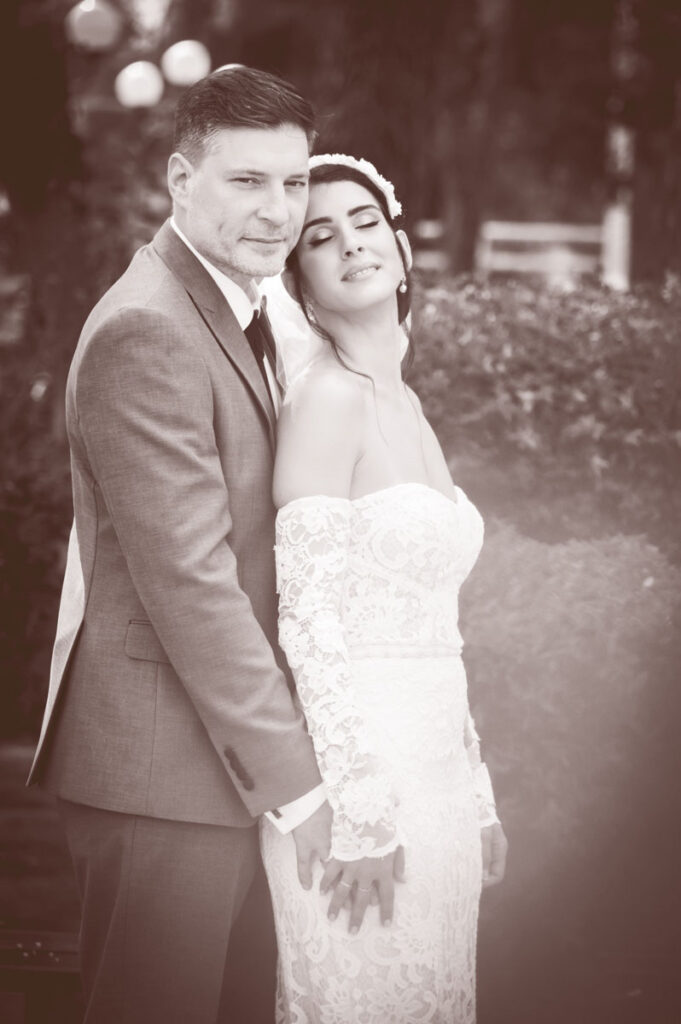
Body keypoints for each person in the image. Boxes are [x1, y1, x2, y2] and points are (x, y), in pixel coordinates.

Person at [27, 67, 340, 1024]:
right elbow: (193, 585)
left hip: (216, 768)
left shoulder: (238, 311)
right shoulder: (148, 328)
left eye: (293, 183)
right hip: (162, 778)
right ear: (179, 179)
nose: (278, 211)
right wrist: (298, 787)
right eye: (247, 181)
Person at [259, 155, 508, 1023]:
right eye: (320, 237)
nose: (351, 244)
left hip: (437, 791)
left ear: (401, 252)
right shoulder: (325, 402)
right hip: (360, 792)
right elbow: (307, 621)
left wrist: (474, 793)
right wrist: (359, 813)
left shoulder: (406, 403)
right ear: (301, 287)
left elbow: (438, 628)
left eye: (366, 223)